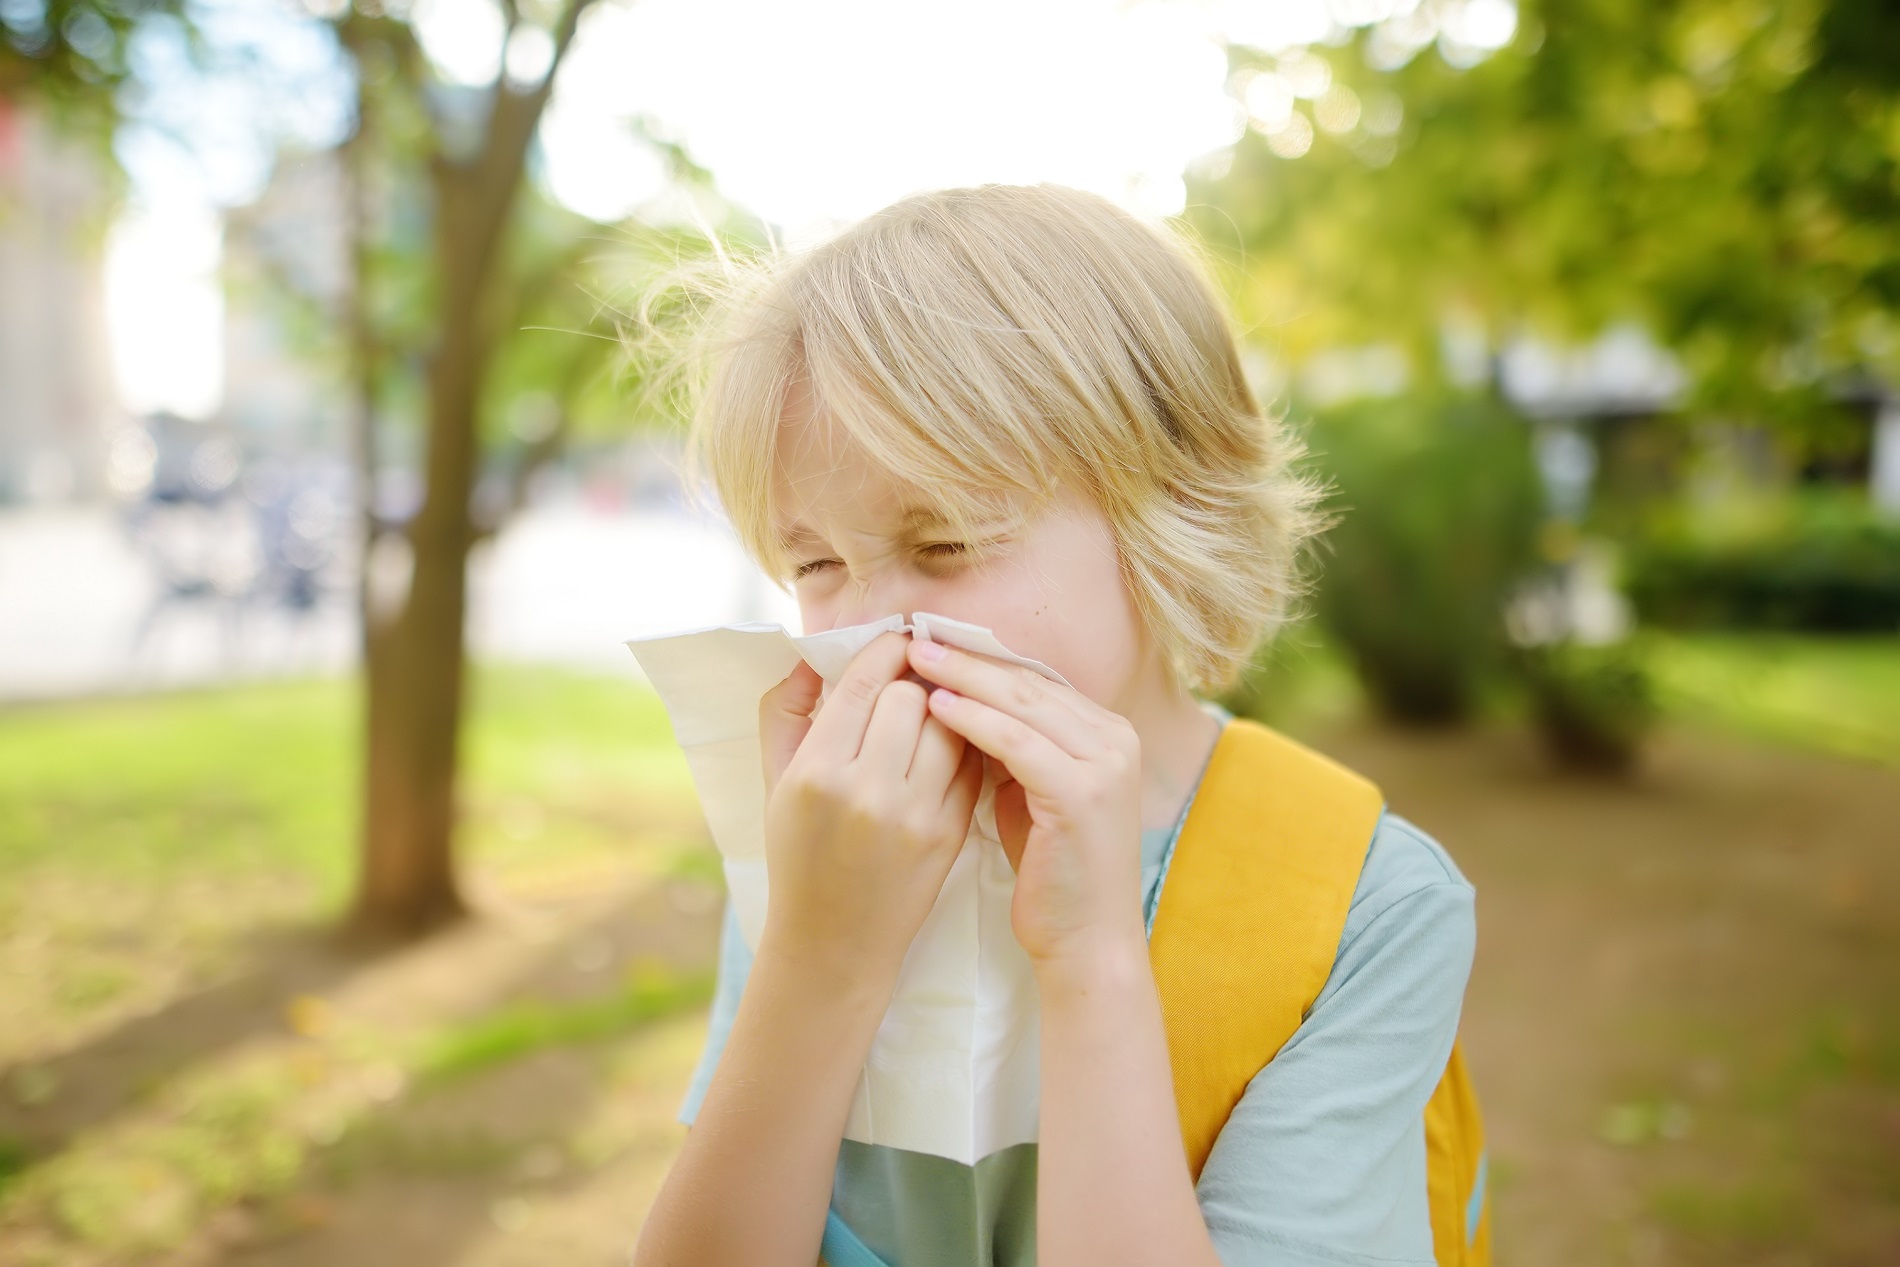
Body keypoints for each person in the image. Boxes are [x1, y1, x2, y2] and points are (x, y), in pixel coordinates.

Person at [630, 183, 1477, 1267]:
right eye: (817, 564)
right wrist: (817, 953)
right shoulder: (826, 839)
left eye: (947, 542)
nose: (873, 623)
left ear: (1170, 513)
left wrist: (1089, 962)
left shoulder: (1363, 904)